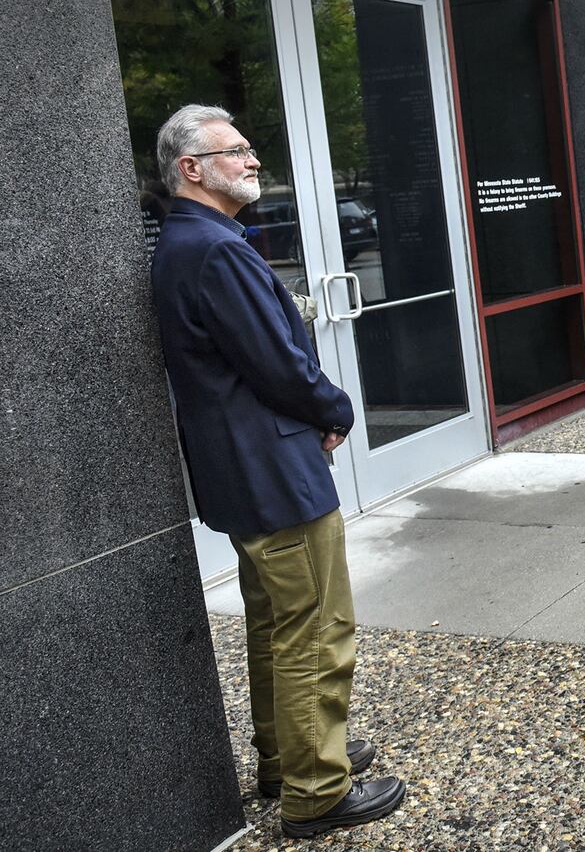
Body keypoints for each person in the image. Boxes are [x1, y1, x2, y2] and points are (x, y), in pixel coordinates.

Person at [148, 105, 405, 837]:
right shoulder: (216, 250)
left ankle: (285, 758)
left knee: (275, 624)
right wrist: (335, 407)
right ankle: (317, 788)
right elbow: (277, 365)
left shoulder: (189, 242)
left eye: (250, 149)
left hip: (246, 475)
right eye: (235, 151)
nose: (253, 160)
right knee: (316, 628)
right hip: (275, 474)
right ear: (191, 168)